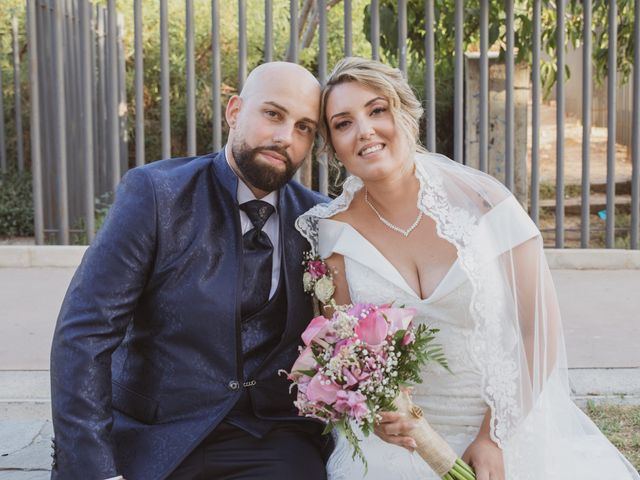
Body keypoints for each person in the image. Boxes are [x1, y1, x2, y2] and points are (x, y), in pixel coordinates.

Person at [296, 57, 640, 480]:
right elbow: (346, 355)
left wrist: (493, 437)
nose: (365, 130)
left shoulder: (484, 203)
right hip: (399, 447)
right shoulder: (332, 236)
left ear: (404, 113)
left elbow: (540, 331)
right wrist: (379, 416)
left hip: (503, 424)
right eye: (343, 123)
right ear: (333, 145)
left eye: (377, 110)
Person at [50, 61, 331, 480]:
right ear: (234, 111)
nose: (284, 137)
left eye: (304, 127)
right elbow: (84, 333)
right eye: (272, 114)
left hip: (266, 439)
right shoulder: (156, 194)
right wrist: (96, 469)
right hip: (153, 433)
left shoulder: (317, 217)